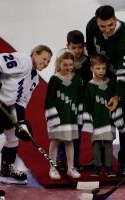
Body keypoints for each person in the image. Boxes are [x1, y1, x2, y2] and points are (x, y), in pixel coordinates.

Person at [0, 45, 53, 200]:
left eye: (48, 61)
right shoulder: (24, 61)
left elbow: (21, 102)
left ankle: (7, 170)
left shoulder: (34, 79)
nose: (45, 62)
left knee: (13, 135)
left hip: (2, 104)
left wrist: (21, 123)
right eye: (43, 58)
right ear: (34, 54)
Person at [86, 5, 125, 176]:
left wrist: (118, 95)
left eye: (110, 25)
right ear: (97, 22)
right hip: (104, 75)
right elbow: (91, 53)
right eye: (103, 26)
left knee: (123, 115)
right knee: (100, 113)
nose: (107, 29)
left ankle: (123, 161)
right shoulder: (91, 26)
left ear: (115, 19)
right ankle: (100, 158)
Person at [82, 54, 125, 177]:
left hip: (108, 120)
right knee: (96, 144)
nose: (101, 71)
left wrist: (118, 119)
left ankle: (108, 167)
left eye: (103, 68)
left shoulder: (111, 84)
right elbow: (87, 105)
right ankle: (97, 166)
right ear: (92, 68)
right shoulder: (89, 86)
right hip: (95, 120)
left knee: (108, 144)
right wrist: (88, 122)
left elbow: (116, 103)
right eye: (98, 68)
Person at [56, 30, 92, 171]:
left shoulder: (88, 61)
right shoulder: (63, 60)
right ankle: (60, 160)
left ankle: (74, 162)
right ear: (68, 46)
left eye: (80, 47)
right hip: (65, 103)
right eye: (73, 47)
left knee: (76, 135)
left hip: (81, 104)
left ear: (84, 45)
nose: (77, 51)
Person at [45, 51, 82, 180]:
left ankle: (70, 168)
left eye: (71, 65)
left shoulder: (77, 79)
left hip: (71, 117)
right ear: (59, 64)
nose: (68, 68)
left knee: (69, 141)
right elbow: (49, 99)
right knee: (55, 141)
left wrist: (80, 114)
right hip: (58, 117)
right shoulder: (54, 79)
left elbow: (80, 98)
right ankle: (53, 168)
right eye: (65, 65)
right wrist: (52, 117)